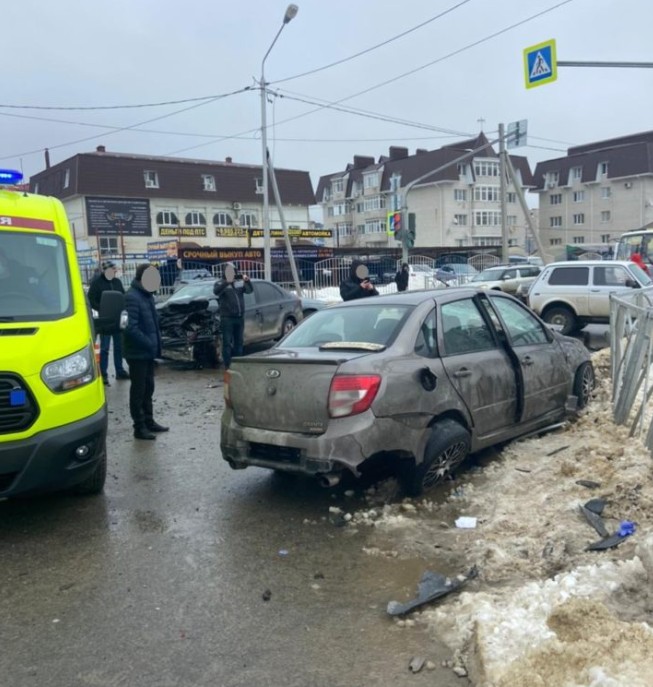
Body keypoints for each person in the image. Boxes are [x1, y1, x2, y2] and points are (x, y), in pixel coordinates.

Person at [123, 263, 169, 440]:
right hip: (137, 353)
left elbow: (153, 323)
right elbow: (130, 328)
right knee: (138, 391)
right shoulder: (131, 297)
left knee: (149, 388)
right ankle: (139, 427)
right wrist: (150, 342)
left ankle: (149, 421)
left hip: (148, 352)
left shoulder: (148, 296)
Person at [88, 260, 129, 385]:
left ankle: (120, 371)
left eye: (114, 270)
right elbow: (91, 299)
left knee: (119, 346)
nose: (114, 272)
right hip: (105, 319)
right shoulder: (97, 283)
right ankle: (104, 374)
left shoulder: (117, 282)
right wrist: (101, 307)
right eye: (112, 269)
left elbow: (123, 296)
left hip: (118, 318)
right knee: (105, 348)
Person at [213, 263, 254, 370]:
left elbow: (249, 290)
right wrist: (227, 282)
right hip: (227, 318)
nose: (232, 274)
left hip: (239, 318)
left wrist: (247, 281)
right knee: (227, 343)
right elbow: (216, 292)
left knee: (239, 342)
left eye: (233, 272)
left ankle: (238, 364)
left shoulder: (238, 284)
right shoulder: (220, 283)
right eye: (229, 272)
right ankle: (228, 365)